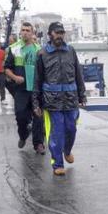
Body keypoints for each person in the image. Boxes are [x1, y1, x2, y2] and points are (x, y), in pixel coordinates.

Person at [33, 22, 86, 176]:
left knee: (71, 129)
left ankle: (67, 150)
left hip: (71, 99)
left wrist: (82, 94)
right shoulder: (42, 54)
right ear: (50, 34)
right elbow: (37, 80)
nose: (60, 35)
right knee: (57, 132)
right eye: (57, 32)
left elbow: (78, 74)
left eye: (62, 32)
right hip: (52, 101)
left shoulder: (71, 51)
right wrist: (36, 103)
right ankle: (58, 164)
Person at [5, 22, 44, 154]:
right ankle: (23, 134)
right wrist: (15, 77)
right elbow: (7, 69)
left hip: (36, 89)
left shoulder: (39, 50)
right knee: (20, 116)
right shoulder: (14, 48)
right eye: (23, 30)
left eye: (28, 30)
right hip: (21, 89)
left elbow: (44, 70)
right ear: (20, 32)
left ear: (33, 33)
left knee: (38, 116)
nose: (25, 32)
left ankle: (38, 143)